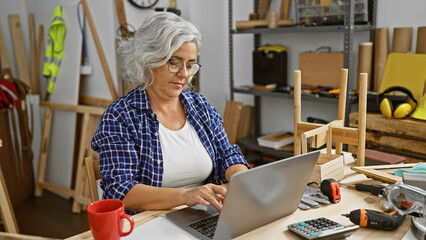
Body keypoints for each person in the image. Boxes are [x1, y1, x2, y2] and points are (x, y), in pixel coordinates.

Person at [91, 12, 249, 214]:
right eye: (174, 62)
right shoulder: (120, 115)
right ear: (148, 61)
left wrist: (241, 178)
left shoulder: (199, 105)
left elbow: (226, 155)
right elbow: (120, 191)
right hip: (150, 223)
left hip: (206, 215)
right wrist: (187, 196)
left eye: (190, 65)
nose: (184, 74)